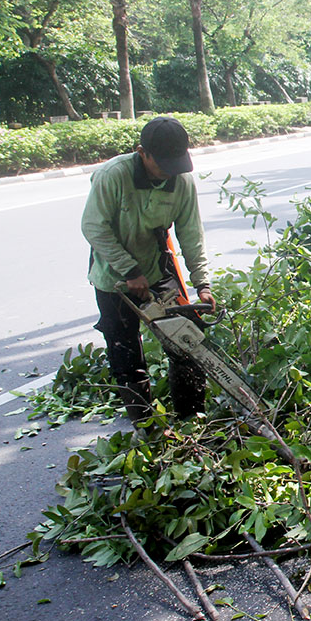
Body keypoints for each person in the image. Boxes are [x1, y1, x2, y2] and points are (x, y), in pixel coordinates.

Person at [81, 116, 215, 424]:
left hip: (157, 271)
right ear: (143, 152)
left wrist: (202, 284)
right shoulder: (113, 176)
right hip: (114, 278)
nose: (169, 171)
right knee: (125, 352)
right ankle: (145, 424)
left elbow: (191, 233)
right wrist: (128, 270)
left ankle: (190, 417)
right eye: (162, 164)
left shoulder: (180, 181)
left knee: (187, 343)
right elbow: (93, 227)